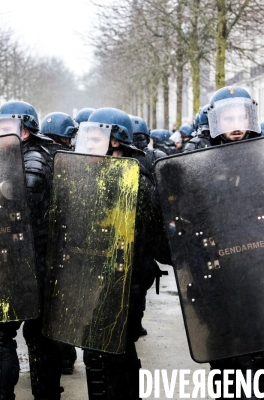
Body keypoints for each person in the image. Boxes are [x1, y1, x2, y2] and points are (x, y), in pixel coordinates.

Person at [77, 108, 170, 399]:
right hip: (97, 279)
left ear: (115, 141)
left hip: (124, 281)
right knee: (100, 352)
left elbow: (142, 240)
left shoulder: (136, 182)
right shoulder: (93, 176)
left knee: (114, 353)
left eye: (96, 137)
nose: (90, 144)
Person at [0, 100, 63, 400]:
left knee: (37, 335)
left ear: (24, 131)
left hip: (34, 260)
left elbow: (24, 194)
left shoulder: (35, 158)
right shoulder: (5, 156)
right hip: (9, 257)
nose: (0, 133)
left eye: (7, 128)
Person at [204, 86, 264, 398]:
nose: (236, 123)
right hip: (216, 270)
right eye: (228, 117)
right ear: (216, 120)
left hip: (255, 267)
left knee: (255, 346)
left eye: (241, 116)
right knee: (222, 346)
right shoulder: (201, 161)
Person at [39, 112, 79, 374]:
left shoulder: (35, 160)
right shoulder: (71, 161)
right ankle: (65, 357)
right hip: (67, 242)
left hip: (42, 245)